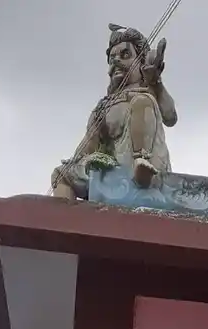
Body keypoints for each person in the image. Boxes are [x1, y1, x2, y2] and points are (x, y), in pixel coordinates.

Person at [52, 25, 178, 201]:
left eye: (125, 55)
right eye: (112, 58)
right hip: (113, 173)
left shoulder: (148, 92)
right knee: (61, 174)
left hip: (147, 173)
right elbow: (88, 145)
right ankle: (62, 219)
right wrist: (76, 163)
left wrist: (156, 82)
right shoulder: (104, 107)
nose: (117, 61)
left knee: (142, 101)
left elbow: (171, 117)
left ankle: (141, 161)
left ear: (141, 62)